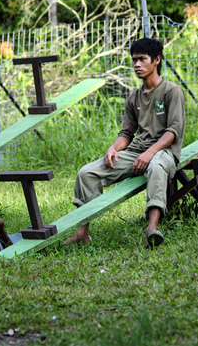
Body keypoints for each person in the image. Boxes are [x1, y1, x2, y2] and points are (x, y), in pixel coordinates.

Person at [64, 37, 185, 247]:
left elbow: (173, 131)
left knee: (156, 167)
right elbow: (126, 134)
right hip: (136, 151)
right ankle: (82, 233)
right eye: (134, 60)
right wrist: (113, 148)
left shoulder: (171, 91)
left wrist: (150, 153)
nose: (137, 64)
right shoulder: (134, 98)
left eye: (142, 59)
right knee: (87, 173)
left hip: (164, 151)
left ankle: (152, 228)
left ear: (156, 60)